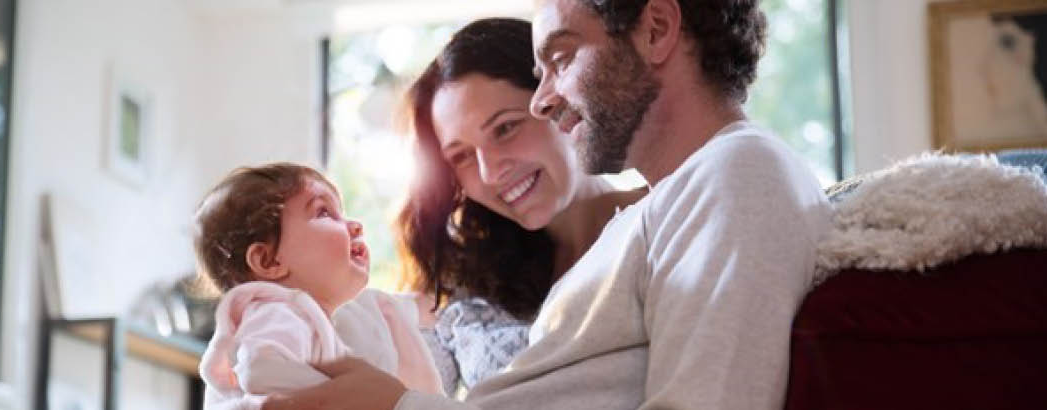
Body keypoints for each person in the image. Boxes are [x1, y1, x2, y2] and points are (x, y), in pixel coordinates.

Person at [262, 0, 833, 409]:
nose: (544, 98)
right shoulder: (662, 211)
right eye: (461, 156)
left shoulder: (740, 172)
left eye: (560, 58)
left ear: (656, 28)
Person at [395, 18, 646, 395]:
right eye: (461, 156)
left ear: (559, 100)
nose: (491, 172)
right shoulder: (475, 278)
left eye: (505, 129)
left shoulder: (662, 220)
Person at [192, 163, 442, 409]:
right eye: (323, 212)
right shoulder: (273, 314)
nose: (355, 225)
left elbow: (411, 307)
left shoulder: (346, 313)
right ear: (268, 261)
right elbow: (259, 370)